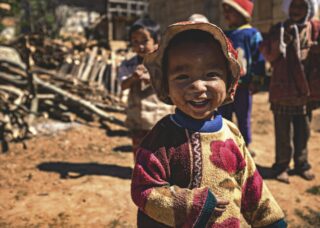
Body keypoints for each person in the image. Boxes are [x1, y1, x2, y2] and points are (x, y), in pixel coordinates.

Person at [131, 21, 287, 227]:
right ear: (165, 84)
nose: (197, 86)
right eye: (182, 76)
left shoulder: (231, 133)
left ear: (229, 81)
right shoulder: (161, 137)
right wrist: (191, 204)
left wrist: (271, 221)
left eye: (211, 74)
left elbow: (251, 185)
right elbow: (144, 189)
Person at [259, 0, 320, 183]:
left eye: (301, 6)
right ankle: (282, 166)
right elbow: (269, 55)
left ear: (309, 8)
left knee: (304, 130)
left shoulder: (315, 29)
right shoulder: (278, 29)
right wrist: (280, 43)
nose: (296, 10)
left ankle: (302, 164)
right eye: (293, 5)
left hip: (306, 90)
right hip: (283, 89)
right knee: (283, 131)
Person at [118, 18, 174, 159]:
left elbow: (173, 85)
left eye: (144, 41)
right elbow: (123, 85)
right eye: (135, 42)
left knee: (161, 155)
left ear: (156, 41)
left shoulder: (165, 63)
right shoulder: (128, 65)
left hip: (160, 119)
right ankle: (141, 178)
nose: (140, 46)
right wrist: (133, 78)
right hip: (138, 119)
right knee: (140, 154)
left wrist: (153, 79)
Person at [218, 0, 266, 156]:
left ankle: (245, 145)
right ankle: (228, 144)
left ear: (241, 13)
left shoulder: (252, 34)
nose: (226, 14)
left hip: (244, 86)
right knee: (224, 116)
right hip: (226, 86)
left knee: (243, 116)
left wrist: (257, 79)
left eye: (230, 11)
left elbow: (259, 58)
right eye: (224, 11)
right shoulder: (225, 34)